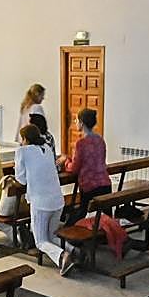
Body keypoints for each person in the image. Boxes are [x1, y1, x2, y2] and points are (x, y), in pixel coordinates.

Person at [15, 124, 75, 275]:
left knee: (41, 241)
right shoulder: (47, 148)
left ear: (25, 139)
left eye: (22, 139)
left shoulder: (22, 151)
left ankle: (63, 257)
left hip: (41, 203)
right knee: (52, 236)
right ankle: (75, 251)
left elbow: (21, 180)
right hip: (57, 201)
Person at [61, 108, 112, 225]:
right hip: (105, 183)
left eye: (76, 120)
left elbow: (74, 169)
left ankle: (69, 230)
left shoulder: (81, 143)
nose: (75, 123)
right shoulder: (100, 140)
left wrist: (66, 161)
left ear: (82, 123)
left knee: (82, 213)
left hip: (89, 186)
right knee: (106, 218)